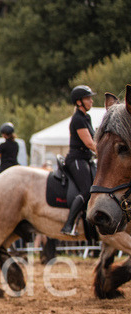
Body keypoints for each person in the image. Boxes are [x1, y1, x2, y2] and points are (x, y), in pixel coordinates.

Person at [60, 85, 97, 236]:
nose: (91, 101)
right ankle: (68, 225)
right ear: (79, 102)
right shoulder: (78, 119)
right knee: (86, 190)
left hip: (86, 158)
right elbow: (89, 143)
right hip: (77, 159)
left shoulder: (86, 118)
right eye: (88, 98)